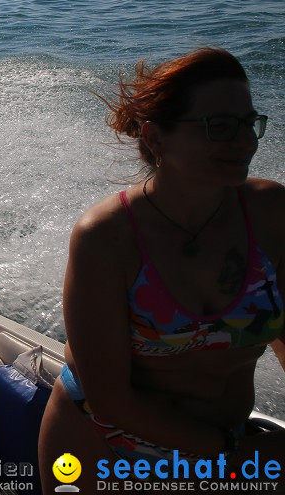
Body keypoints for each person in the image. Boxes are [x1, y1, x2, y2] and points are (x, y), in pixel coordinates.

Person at [39, 47, 285, 482]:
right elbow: (110, 397)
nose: (245, 140)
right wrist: (233, 450)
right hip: (102, 441)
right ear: (155, 138)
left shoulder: (271, 213)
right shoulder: (108, 236)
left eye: (249, 123)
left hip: (223, 442)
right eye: (220, 126)